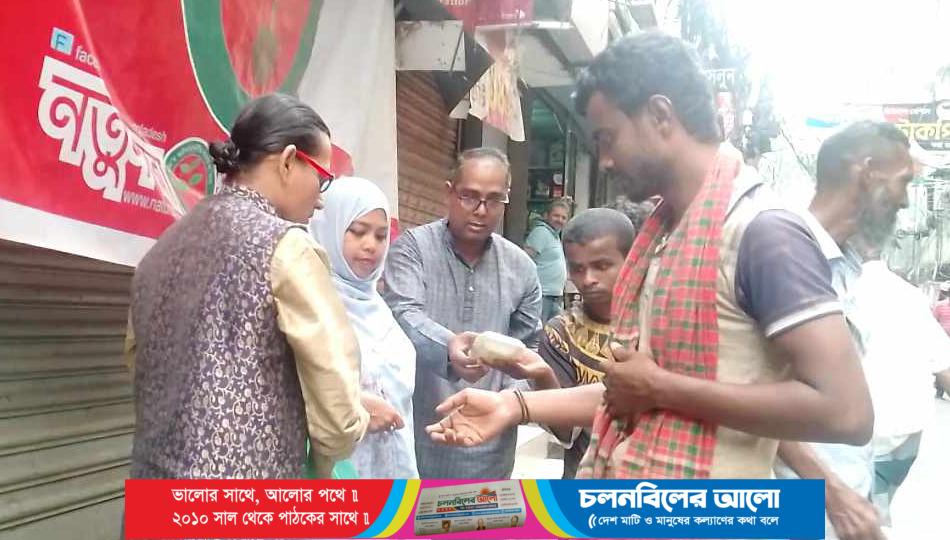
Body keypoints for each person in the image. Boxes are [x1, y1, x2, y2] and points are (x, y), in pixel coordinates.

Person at [426, 32, 872, 481]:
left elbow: (847, 412)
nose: (604, 160)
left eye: (608, 138)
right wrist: (512, 405)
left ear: (660, 115)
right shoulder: (664, 238)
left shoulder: (762, 232)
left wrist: (662, 387)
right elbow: (630, 393)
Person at [126, 94, 368, 480]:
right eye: (321, 178)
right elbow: (336, 415)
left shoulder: (161, 249)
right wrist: (326, 461)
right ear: (288, 161)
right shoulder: (287, 248)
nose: (321, 200)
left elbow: (139, 362)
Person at [774, 121, 914, 540]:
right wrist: (832, 494)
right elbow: (748, 384)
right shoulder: (783, 252)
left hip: (842, 500)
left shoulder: (846, 266)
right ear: (867, 172)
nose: (906, 200)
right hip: (799, 505)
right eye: (903, 181)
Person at [384, 147, 552, 479]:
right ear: (448, 193)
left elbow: (528, 346)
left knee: (482, 511)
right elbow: (402, 313)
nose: (481, 210)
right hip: (418, 432)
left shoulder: (521, 267)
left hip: (489, 442)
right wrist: (449, 345)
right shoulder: (413, 248)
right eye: (469, 197)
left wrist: (509, 402)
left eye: (494, 200)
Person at [309, 176, 418, 478]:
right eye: (357, 232)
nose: (370, 245)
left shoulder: (379, 310)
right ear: (328, 229)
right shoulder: (310, 305)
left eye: (381, 236)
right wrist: (354, 404)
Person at [853, 237, 950, 525]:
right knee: (871, 507)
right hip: (905, 435)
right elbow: (943, 363)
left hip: (851, 437)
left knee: (839, 514)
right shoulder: (911, 295)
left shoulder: (830, 288)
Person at [537, 208, 635, 478]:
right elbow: (564, 431)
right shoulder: (560, 333)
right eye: (578, 269)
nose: (588, 279)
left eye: (601, 266)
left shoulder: (657, 323)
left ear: (632, 261)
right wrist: (542, 376)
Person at [524, 198, 571, 322]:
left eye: (563, 217)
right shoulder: (541, 232)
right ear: (546, 215)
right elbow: (525, 260)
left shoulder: (555, 235)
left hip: (555, 296)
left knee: (552, 332)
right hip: (542, 295)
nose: (560, 220)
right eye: (556, 216)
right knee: (538, 331)